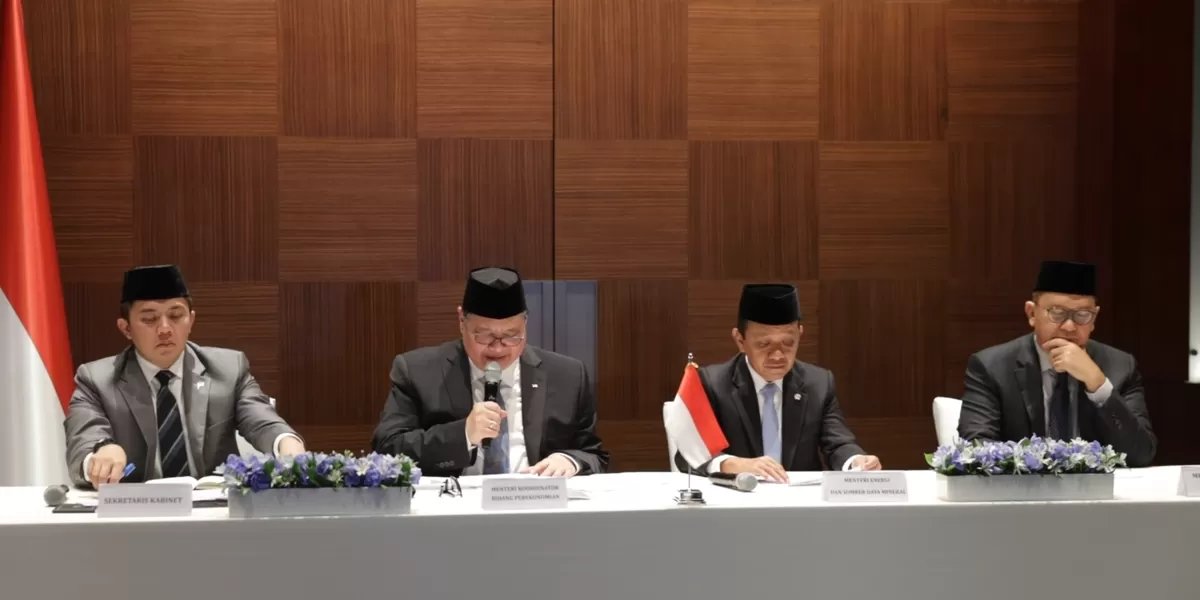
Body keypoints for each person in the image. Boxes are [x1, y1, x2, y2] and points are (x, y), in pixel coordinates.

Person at [64, 265, 304, 488]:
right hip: (136, 509)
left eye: (176, 315)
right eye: (149, 319)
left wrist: (285, 442)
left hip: (211, 508)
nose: (165, 329)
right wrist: (100, 454)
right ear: (126, 328)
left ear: (191, 321)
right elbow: (83, 440)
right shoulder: (96, 380)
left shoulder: (229, 369)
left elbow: (261, 420)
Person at [372, 266, 608, 477]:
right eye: (484, 335)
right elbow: (387, 449)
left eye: (511, 335)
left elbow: (594, 455)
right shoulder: (418, 371)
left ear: (525, 323)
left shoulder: (567, 375)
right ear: (462, 321)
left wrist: (570, 460)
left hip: (536, 502)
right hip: (455, 505)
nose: (497, 348)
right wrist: (463, 434)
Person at [957, 260, 1156, 466]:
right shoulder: (991, 366)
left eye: (1082, 315)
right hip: (1023, 485)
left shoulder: (1121, 366)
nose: (1069, 327)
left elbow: (1141, 454)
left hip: (1096, 485)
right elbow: (977, 447)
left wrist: (1098, 384)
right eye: (1057, 313)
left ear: (1094, 318)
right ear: (1032, 313)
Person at [676, 284, 880, 482]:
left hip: (800, 500)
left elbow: (837, 444)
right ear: (740, 340)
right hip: (739, 497)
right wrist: (731, 464)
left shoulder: (818, 383)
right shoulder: (712, 384)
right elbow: (687, 456)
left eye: (788, 343)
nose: (777, 355)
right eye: (764, 344)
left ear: (800, 334)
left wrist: (856, 461)